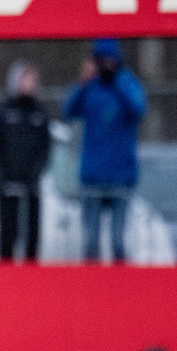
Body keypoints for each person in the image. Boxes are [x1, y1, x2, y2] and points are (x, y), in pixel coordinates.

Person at [64, 38, 146, 264]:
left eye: (111, 60)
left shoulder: (127, 84)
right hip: (92, 176)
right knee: (91, 241)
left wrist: (117, 80)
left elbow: (139, 108)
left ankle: (119, 291)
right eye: (103, 60)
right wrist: (82, 83)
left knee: (118, 240)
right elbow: (68, 110)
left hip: (120, 176)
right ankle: (92, 291)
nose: (107, 65)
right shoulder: (90, 88)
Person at [0, 61, 52, 263]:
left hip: (31, 189)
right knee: (7, 239)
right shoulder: (3, 112)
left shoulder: (39, 113)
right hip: (7, 189)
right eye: (26, 79)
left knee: (31, 240)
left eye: (33, 80)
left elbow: (45, 149)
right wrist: (0, 179)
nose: (30, 84)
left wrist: (35, 175)